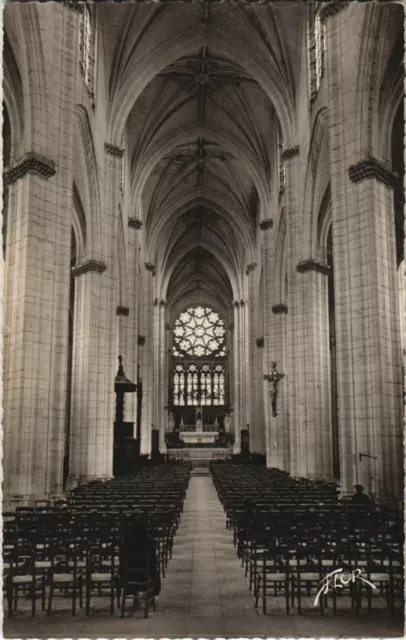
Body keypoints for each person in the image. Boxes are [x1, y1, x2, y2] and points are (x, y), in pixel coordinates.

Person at [119, 515, 161, 601]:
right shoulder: (148, 541)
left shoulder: (126, 540)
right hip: (145, 576)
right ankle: (151, 593)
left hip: (129, 575)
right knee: (154, 569)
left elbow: (122, 560)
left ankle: (132, 592)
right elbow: (153, 561)